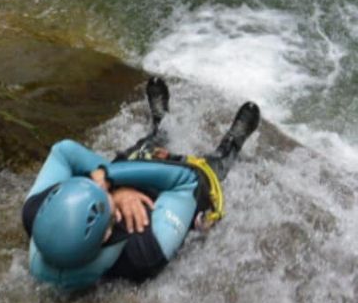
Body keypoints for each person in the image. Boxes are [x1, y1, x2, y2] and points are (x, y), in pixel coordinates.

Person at [22, 77, 261, 291]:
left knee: (142, 151)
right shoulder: (145, 251)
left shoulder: (34, 211)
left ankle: (159, 126)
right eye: (105, 195)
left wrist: (112, 180)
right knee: (206, 174)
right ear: (107, 234)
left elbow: (63, 151)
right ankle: (230, 146)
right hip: (168, 200)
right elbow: (186, 180)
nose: (105, 189)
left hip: (124, 182)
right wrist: (114, 178)